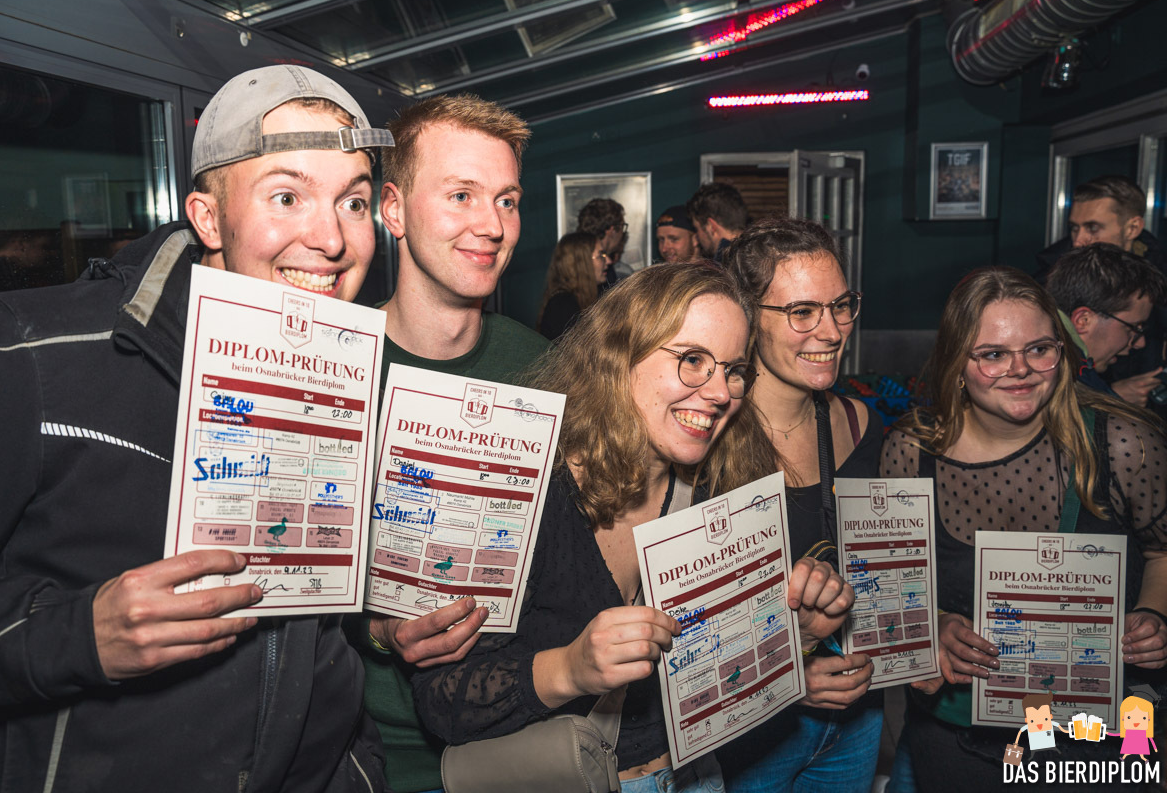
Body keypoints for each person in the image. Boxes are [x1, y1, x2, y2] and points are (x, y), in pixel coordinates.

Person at [0, 65, 394, 792]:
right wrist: (79, 634)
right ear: (208, 218)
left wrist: (356, 769)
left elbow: (321, 637)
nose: (331, 239)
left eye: (352, 203)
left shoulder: (347, 381)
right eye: (286, 196)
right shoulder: (29, 352)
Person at [410, 262, 857, 792]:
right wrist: (569, 669)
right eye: (693, 360)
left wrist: (795, 635)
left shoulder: (718, 490)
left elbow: (715, 673)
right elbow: (440, 700)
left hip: (695, 776)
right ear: (619, 357)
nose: (720, 392)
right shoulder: (521, 495)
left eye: (734, 370)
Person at [880, 266, 1167, 792]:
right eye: (993, 354)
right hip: (960, 736)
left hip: (1096, 742)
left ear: (1063, 351)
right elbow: (891, 585)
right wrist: (933, 625)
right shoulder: (912, 452)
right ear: (957, 362)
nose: (1021, 370)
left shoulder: (1123, 444)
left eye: (1039, 349)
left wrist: (1154, 614)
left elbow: (1162, 551)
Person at [346, 93, 551, 793]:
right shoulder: (330, 365)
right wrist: (379, 631)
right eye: (461, 195)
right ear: (394, 210)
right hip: (371, 753)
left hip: (519, 744)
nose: (491, 225)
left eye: (507, 200)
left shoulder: (543, 367)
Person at [719, 216, 883, 792]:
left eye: (841, 306)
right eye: (802, 312)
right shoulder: (707, 439)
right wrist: (786, 675)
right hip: (751, 733)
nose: (832, 331)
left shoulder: (858, 424)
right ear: (747, 316)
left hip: (858, 719)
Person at [1045, 243, 1166, 405]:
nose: (1140, 343)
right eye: (1132, 328)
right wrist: (1110, 402)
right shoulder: (1052, 378)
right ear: (1083, 321)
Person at [536, 231, 606, 340]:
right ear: (582, 262)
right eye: (601, 255)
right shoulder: (563, 306)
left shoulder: (585, 298)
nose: (608, 261)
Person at [687, 183, 750, 264]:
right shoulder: (757, 252)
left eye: (697, 229)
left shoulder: (723, 264)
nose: (696, 238)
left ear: (711, 226)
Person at [578, 197, 633, 281]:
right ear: (612, 230)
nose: (622, 233)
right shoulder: (595, 267)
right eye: (622, 227)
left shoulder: (577, 258)